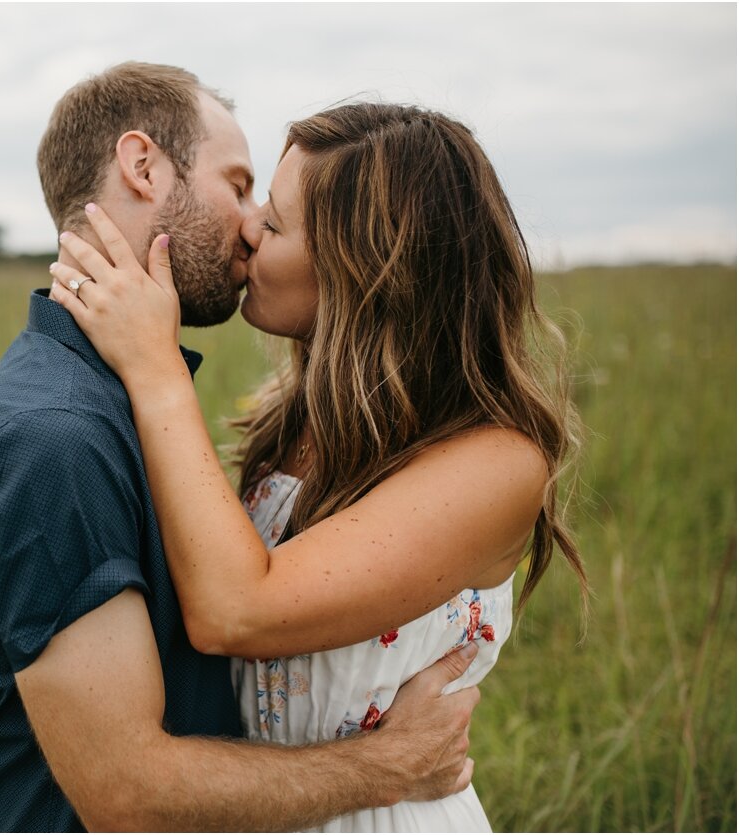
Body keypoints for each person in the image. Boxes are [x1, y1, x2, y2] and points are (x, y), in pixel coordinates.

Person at [0, 64, 480, 831]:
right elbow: (127, 791)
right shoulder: (57, 440)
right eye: (239, 183)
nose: (252, 223)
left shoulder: (128, 400)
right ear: (143, 166)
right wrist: (388, 766)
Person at [46, 100, 583, 830]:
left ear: (365, 268)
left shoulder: (494, 462)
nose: (246, 227)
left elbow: (236, 609)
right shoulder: (291, 419)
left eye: (274, 222)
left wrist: (156, 368)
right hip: (270, 803)